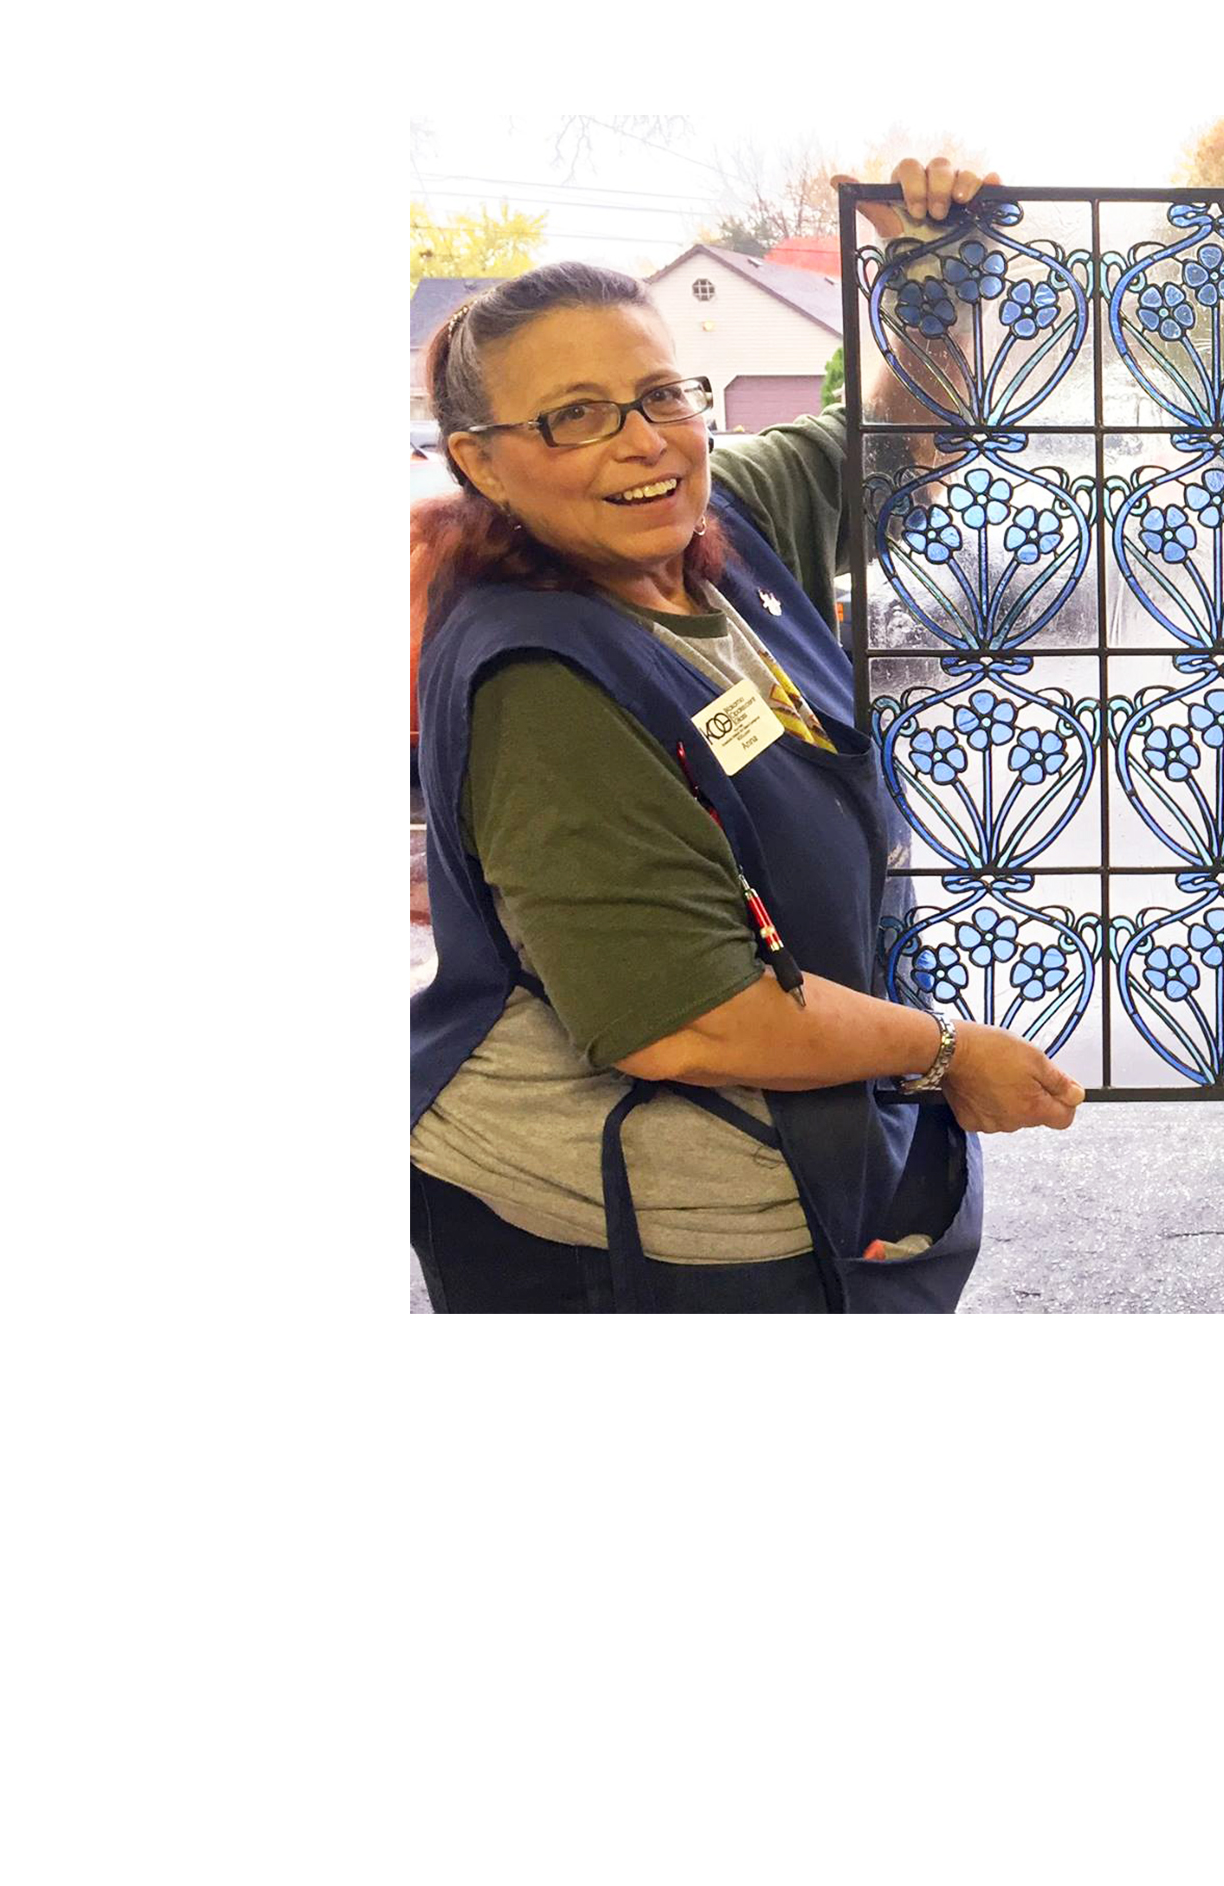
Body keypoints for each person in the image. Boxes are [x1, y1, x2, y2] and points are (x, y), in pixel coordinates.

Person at [410, 156, 1083, 1313]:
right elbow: (693, 1019)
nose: (643, 442)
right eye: (576, 417)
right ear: (480, 459)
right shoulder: (544, 686)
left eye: (663, 395)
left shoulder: (713, 523)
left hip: (801, 1157)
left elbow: (900, 437)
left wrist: (932, 271)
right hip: (627, 1234)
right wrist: (944, 1053)